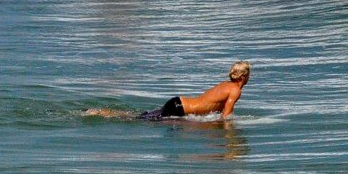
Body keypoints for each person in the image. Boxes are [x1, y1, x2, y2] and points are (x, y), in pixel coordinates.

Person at [84, 61, 251, 121]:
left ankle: (101, 112)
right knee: (135, 120)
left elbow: (214, 108)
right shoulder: (235, 90)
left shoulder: (225, 84)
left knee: (140, 116)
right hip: (179, 109)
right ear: (244, 76)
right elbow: (226, 117)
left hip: (178, 103)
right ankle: (100, 113)